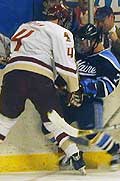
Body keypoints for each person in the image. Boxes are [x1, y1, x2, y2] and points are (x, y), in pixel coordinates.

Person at [0, 0, 86, 174]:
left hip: (13, 74)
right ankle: (75, 156)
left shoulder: (25, 26)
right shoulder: (61, 31)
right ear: (62, 18)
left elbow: (11, 53)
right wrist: (74, 90)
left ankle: (74, 154)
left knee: (4, 122)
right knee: (53, 120)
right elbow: (66, 67)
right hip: (39, 77)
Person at [56, 24, 120, 168]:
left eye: (84, 42)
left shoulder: (108, 60)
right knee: (50, 126)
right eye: (79, 41)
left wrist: (83, 88)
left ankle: (116, 150)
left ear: (95, 41)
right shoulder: (78, 55)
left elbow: (107, 86)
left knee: (91, 133)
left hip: (90, 103)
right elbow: (67, 72)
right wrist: (59, 86)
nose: (80, 45)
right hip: (70, 100)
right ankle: (74, 152)